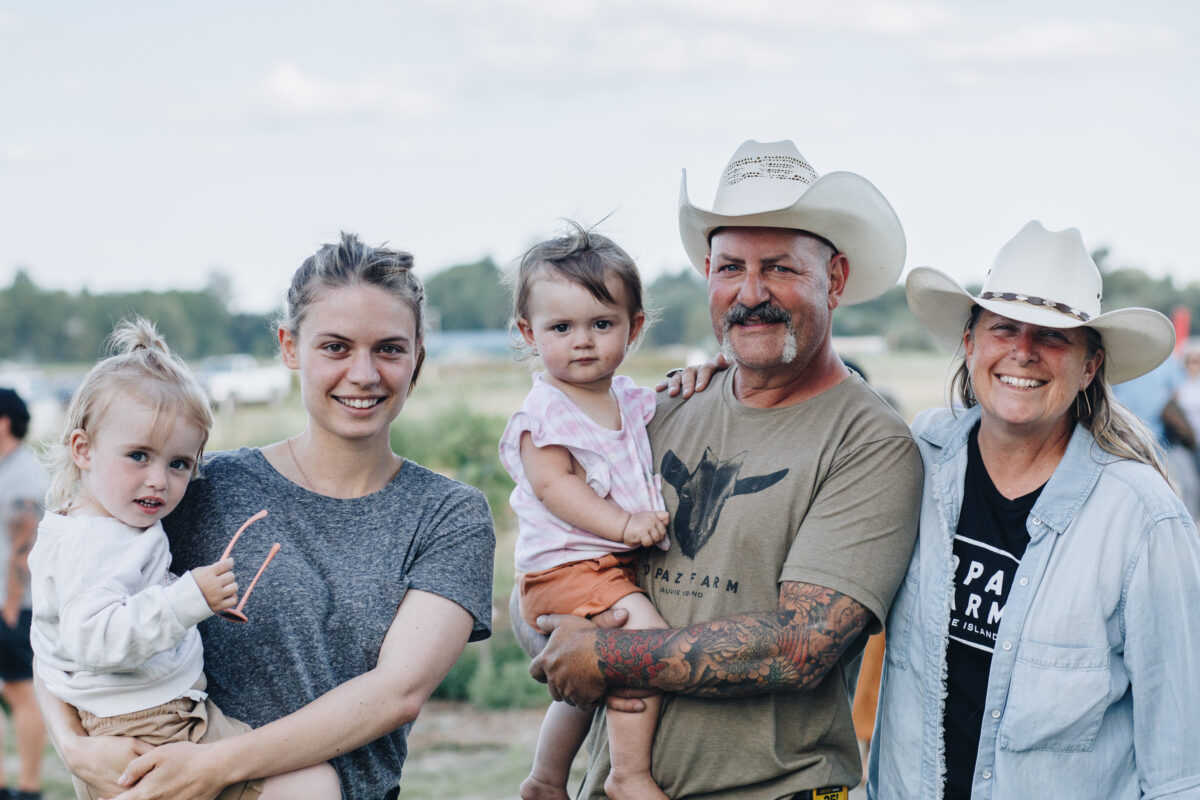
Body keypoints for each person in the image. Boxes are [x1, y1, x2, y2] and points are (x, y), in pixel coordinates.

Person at [521, 139, 923, 799]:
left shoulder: (870, 442)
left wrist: (605, 655)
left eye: (781, 268)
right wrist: (550, 624)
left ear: (837, 278)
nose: (751, 293)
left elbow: (801, 645)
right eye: (731, 266)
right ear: (708, 271)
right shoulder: (663, 410)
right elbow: (565, 555)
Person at [35, 232, 496, 800]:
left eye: (390, 349)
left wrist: (216, 766)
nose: (364, 373)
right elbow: (67, 610)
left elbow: (395, 693)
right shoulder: (198, 488)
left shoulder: (448, 517)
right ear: (288, 346)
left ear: (417, 357)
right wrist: (72, 744)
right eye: (335, 346)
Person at [869, 221, 1200, 798]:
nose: (1023, 351)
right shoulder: (921, 455)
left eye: (1053, 336)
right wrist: (726, 380)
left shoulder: (1145, 522)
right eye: (1003, 328)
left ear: (1090, 365)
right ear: (970, 342)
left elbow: (1179, 768)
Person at [29, 318, 339, 800]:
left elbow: (70, 625)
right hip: (151, 724)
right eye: (138, 455)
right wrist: (187, 599)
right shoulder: (96, 544)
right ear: (82, 449)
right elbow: (95, 638)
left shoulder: (94, 525)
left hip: (151, 714)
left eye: (179, 464)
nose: (159, 480)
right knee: (313, 785)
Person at [500, 224, 671, 800]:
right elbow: (555, 488)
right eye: (561, 327)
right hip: (564, 570)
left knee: (591, 678)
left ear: (634, 327)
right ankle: (628, 775)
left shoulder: (623, 395)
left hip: (594, 568)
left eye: (602, 324)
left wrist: (705, 374)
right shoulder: (545, 411)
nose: (583, 341)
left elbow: (667, 400)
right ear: (529, 333)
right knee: (644, 643)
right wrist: (625, 525)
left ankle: (546, 780)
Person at [0, 388, 48, 800]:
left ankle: (29, 788)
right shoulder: (4, 467)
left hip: (14, 605)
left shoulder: (25, 473)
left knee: (20, 692)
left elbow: (24, 542)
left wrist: (13, 603)